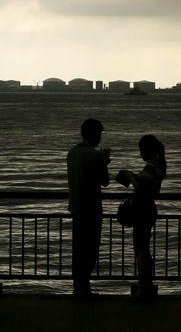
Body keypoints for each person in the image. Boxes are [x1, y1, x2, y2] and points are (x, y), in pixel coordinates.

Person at [116, 134, 166, 301]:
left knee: (142, 249)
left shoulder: (152, 167)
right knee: (142, 248)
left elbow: (141, 189)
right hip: (147, 210)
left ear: (146, 150)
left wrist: (130, 177)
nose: (140, 153)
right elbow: (146, 186)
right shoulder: (156, 167)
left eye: (141, 149)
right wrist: (134, 177)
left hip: (143, 211)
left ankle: (143, 287)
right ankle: (145, 285)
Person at [67, 118, 111, 301]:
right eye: (99, 134)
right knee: (90, 250)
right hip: (91, 209)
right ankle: (84, 290)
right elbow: (105, 181)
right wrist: (104, 160)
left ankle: (78, 289)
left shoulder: (72, 153)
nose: (100, 138)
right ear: (94, 134)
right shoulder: (94, 155)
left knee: (78, 250)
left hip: (76, 207)